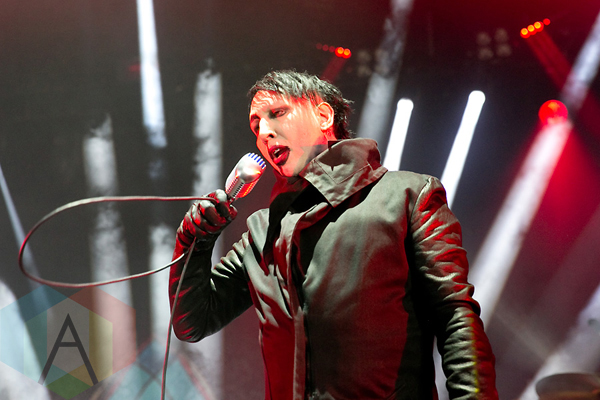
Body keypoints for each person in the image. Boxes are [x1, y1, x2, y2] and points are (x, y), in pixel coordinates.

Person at [169, 70, 498, 399]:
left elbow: (454, 317)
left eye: (277, 113)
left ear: (324, 116)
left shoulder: (407, 196)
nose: (264, 132)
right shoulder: (262, 231)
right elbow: (193, 322)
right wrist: (195, 240)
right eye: (256, 126)